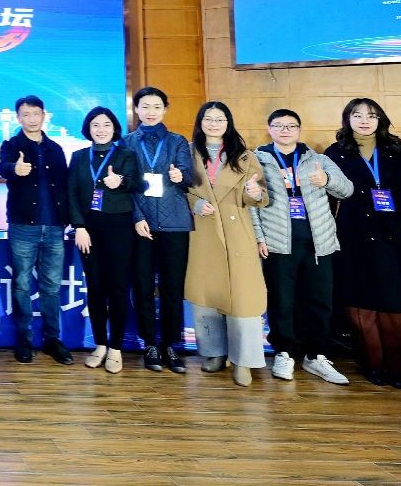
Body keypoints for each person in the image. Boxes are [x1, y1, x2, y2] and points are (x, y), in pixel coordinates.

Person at [325, 98, 401, 389]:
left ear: (380, 120)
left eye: (372, 115)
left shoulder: (397, 150)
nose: (365, 120)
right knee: (361, 304)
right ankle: (372, 364)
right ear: (348, 119)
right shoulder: (335, 152)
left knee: (399, 302)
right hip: (354, 232)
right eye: (358, 115)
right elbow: (328, 194)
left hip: (396, 233)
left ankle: (399, 368)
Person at [253, 109, 353, 385]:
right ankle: (284, 352)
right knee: (281, 301)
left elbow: (347, 190)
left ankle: (316, 355)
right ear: (269, 129)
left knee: (319, 302)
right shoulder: (256, 160)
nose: (285, 130)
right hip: (278, 243)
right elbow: (250, 204)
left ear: (299, 130)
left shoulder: (318, 159)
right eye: (279, 125)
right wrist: (259, 237)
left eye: (291, 126)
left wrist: (327, 181)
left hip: (318, 243)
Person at [183, 101, 268, 387]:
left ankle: (244, 360)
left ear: (228, 123)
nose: (214, 124)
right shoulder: (187, 153)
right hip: (202, 231)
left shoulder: (244, 156)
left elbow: (258, 193)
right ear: (200, 122)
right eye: (208, 118)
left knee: (243, 299)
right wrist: (195, 203)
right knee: (206, 296)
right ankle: (214, 352)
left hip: (237, 232)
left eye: (220, 119)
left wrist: (254, 192)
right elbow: (178, 190)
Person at [0, 95, 72, 365]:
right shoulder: (11, 145)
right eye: (25, 115)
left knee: (51, 286)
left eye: (36, 114)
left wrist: (68, 219)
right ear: (18, 118)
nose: (31, 119)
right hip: (23, 227)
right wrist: (14, 169)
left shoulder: (55, 148)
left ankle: (53, 339)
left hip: (54, 228)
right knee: (21, 285)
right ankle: (24, 340)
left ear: (44, 115)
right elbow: (3, 167)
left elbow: (65, 186)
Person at [124, 86, 194, 374]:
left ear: (165, 109)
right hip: (140, 226)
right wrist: (136, 217)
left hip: (174, 224)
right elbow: (125, 185)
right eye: (145, 106)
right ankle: (150, 343)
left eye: (156, 106)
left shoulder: (178, 141)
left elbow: (189, 177)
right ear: (136, 110)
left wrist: (180, 175)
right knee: (142, 287)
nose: (150, 112)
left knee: (172, 287)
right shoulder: (126, 143)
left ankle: (170, 344)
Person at [67, 106, 139, 374]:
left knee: (118, 289)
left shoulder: (125, 155)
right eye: (95, 124)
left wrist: (119, 181)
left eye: (106, 124)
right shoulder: (78, 157)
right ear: (88, 128)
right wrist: (79, 226)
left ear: (114, 128)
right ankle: (99, 345)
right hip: (89, 230)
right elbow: (71, 193)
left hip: (120, 227)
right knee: (95, 288)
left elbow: (136, 183)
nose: (101, 129)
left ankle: (116, 348)